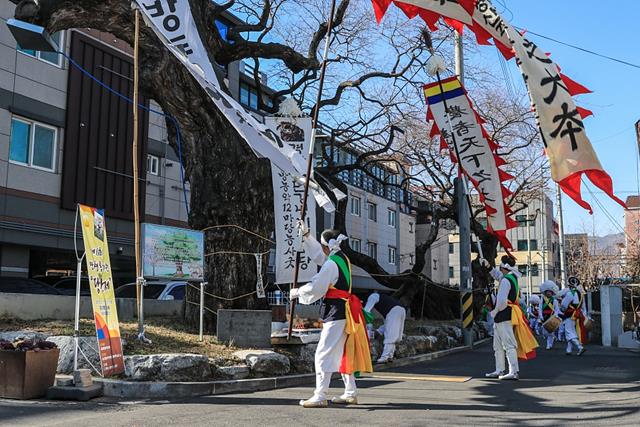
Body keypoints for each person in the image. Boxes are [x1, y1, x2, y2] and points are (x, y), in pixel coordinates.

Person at [290, 226, 372, 408]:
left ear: (327, 245)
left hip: (336, 312)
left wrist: (297, 292)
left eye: (321, 243)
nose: (321, 247)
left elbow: (316, 287)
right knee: (343, 351)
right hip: (345, 311)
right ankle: (350, 392)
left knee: (323, 353)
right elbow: (320, 256)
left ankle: (320, 395)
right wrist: (307, 237)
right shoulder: (342, 259)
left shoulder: (331, 264)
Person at [480, 255, 538, 380]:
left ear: (504, 267)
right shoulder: (510, 277)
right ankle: (499, 370)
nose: (499, 269)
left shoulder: (506, 280)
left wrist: (494, 312)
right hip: (505, 313)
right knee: (498, 345)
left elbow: (501, 302)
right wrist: (488, 266)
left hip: (504, 313)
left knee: (508, 344)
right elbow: (496, 275)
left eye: (500, 266)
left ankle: (513, 371)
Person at [364, 291, 406, 363]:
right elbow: (387, 324)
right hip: (402, 310)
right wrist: (379, 331)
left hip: (394, 311)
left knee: (390, 335)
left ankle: (384, 357)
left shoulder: (373, 296)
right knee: (394, 334)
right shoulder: (383, 299)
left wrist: (368, 326)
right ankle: (390, 356)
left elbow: (366, 311)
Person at [560, 276, 588, 356]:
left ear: (569, 285)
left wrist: (561, 309)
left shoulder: (569, 294)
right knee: (571, 331)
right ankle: (568, 350)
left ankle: (580, 347)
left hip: (569, 315)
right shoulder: (581, 295)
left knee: (569, 332)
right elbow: (583, 308)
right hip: (578, 315)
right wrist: (584, 316)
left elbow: (563, 306)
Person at [538, 280, 561, 350]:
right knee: (545, 332)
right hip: (544, 317)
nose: (549, 293)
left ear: (552, 293)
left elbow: (557, 309)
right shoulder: (542, 300)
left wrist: (555, 316)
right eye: (547, 292)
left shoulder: (554, 301)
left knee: (550, 331)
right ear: (545, 292)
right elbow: (540, 308)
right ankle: (550, 340)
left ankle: (549, 344)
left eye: (550, 292)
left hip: (551, 317)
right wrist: (541, 316)